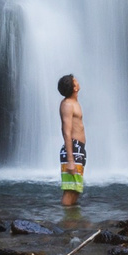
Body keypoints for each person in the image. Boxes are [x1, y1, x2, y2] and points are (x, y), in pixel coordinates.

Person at [57, 74, 86, 207]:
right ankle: (66, 217)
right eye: (75, 81)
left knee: (75, 189)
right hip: (72, 150)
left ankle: (71, 217)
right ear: (74, 88)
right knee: (70, 190)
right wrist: (70, 160)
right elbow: (66, 132)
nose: (78, 81)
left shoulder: (74, 102)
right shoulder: (67, 105)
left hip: (78, 149)